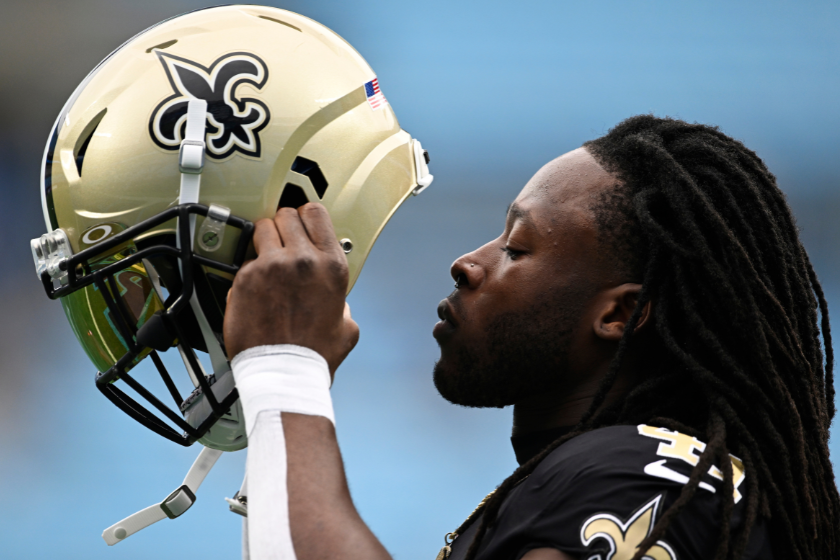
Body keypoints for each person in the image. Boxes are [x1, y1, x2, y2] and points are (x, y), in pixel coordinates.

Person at [224, 115, 840, 559]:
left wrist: (285, 369)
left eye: (516, 248)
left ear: (619, 314)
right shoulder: (631, 474)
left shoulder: (632, 480)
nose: (467, 263)